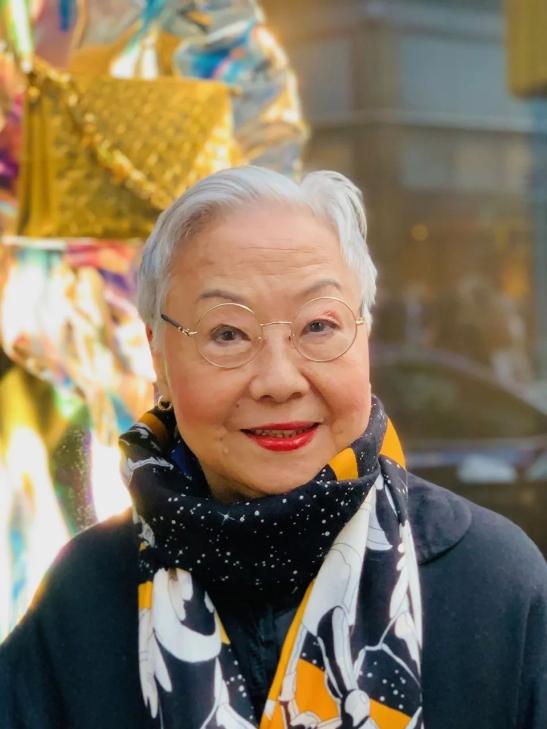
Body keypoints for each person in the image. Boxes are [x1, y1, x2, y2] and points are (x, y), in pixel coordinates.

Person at [0, 166, 546, 729]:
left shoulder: (492, 583)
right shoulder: (86, 597)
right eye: (227, 334)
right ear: (157, 356)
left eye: (318, 326)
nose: (280, 381)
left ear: (364, 334)